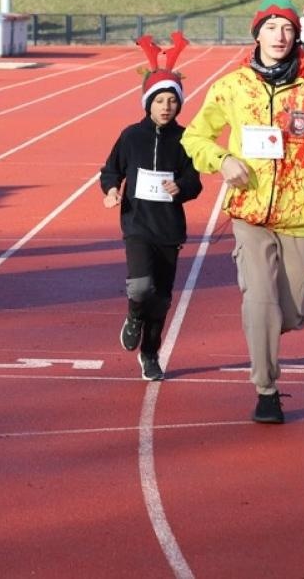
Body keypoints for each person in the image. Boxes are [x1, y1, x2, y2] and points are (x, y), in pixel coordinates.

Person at [182, 0, 304, 424]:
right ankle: (266, 388)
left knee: (294, 312)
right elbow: (195, 136)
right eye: (272, 28)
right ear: (257, 34)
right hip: (250, 213)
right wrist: (222, 160)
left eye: (288, 28)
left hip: (300, 216)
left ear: (297, 35)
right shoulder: (233, 87)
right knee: (260, 300)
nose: (280, 36)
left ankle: (267, 327)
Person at [100, 34, 202, 382]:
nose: (165, 106)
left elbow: (195, 181)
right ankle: (133, 315)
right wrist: (111, 190)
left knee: (161, 298)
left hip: (169, 228)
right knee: (141, 288)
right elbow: (111, 169)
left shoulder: (185, 139)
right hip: (137, 224)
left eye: (171, 100)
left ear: (179, 104)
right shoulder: (131, 136)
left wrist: (182, 187)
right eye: (158, 100)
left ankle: (150, 352)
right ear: (148, 103)